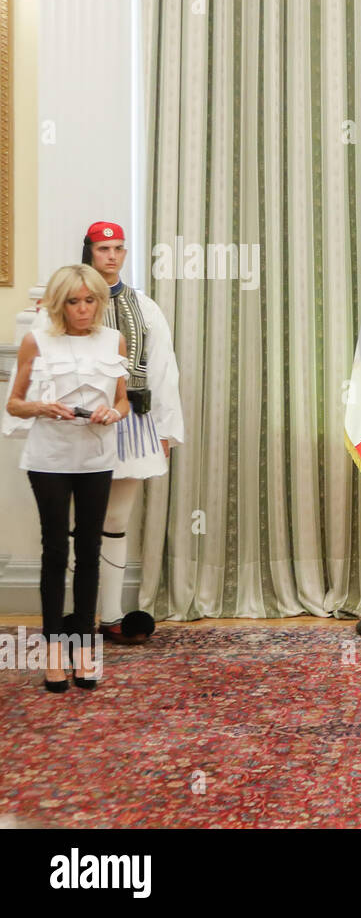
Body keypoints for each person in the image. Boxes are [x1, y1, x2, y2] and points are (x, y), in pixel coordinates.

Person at [33, 222, 185, 644]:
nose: (112, 256)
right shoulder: (65, 304)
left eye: (119, 248)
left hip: (132, 421)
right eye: (104, 248)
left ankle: (113, 615)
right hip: (76, 423)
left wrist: (166, 429)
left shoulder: (144, 306)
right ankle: (71, 616)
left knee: (116, 519)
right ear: (89, 251)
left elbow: (163, 369)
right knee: (70, 523)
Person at [4, 265, 129, 691]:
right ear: (60, 303)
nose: (82, 309)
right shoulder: (36, 341)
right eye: (74, 301)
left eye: (90, 300)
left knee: (90, 550)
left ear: (99, 301)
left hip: (96, 456)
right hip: (49, 458)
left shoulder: (113, 340)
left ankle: (84, 650)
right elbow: (15, 405)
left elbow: (122, 402)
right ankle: (55, 651)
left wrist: (115, 412)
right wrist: (43, 407)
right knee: (56, 550)